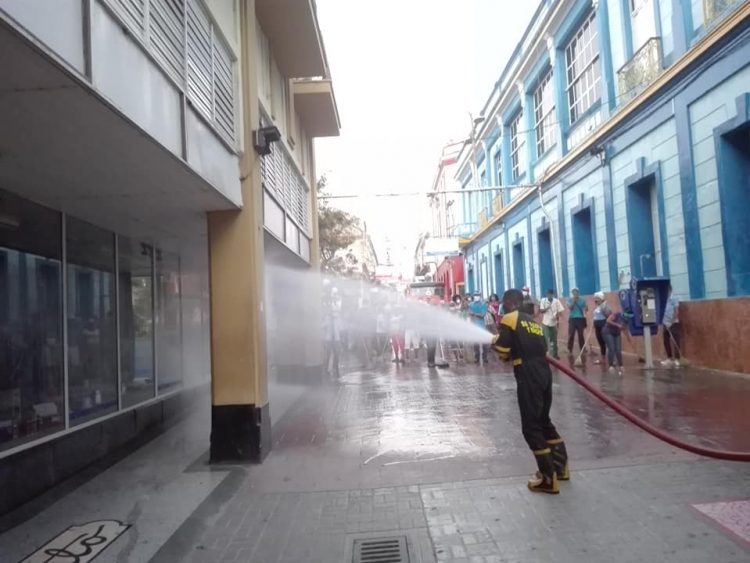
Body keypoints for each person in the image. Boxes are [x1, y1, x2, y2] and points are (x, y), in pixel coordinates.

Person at [491, 289, 569, 494]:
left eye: (503, 303)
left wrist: (494, 343)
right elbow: (539, 347)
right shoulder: (532, 322)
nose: (503, 307)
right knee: (544, 421)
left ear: (509, 302)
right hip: (544, 372)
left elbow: (502, 349)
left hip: (528, 374)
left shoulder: (510, 319)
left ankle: (547, 478)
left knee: (531, 427)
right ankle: (561, 469)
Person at [539, 289, 564, 359]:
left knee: (554, 340)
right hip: (545, 323)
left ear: (553, 295)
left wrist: (557, 316)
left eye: (551, 294)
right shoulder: (543, 300)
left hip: (553, 323)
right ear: (547, 294)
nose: (549, 295)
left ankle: (555, 354)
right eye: (548, 294)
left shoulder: (557, 301)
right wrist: (547, 308)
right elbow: (541, 311)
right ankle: (545, 354)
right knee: (546, 338)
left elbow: (560, 311)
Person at [661, 285, 682, 368]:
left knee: (675, 340)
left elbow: (676, 312)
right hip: (665, 323)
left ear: (670, 290)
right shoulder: (664, 299)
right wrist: (664, 322)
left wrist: (672, 322)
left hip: (673, 323)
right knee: (666, 340)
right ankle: (669, 358)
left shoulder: (674, 298)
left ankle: (677, 359)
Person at [602, 305, 626, 374]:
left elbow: (625, 329)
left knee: (618, 349)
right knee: (612, 348)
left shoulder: (626, 320)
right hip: (608, 332)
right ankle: (611, 365)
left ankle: (621, 365)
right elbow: (608, 320)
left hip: (617, 333)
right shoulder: (616, 314)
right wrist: (617, 325)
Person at [468, 294, 489, 364]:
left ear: (480, 296)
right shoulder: (471, 304)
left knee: (484, 343)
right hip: (474, 326)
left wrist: (474, 313)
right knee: (476, 344)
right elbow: (469, 314)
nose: (476, 297)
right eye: (475, 295)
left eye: (477, 295)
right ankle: (476, 358)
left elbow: (482, 315)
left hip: (482, 326)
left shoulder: (483, 305)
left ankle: (485, 357)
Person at [592, 291, 612, 365]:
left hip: (604, 326)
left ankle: (612, 359)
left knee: (607, 342)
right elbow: (595, 316)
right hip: (597, 327)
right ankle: (603, 359)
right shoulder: (597, 306)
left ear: (601, 298)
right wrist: (594, 323)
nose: (595, 300)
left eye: (597, 298)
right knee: (601, 343)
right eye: (595, 298)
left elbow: (609, 315)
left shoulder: (605, 306)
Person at [566, 288, 588, 355]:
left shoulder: (582, 300)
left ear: (578, 293)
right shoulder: (569, 300)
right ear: (572, 293)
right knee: (571, 334)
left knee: (581, 335)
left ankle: (582, 349)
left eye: (576, 292)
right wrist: (574, 301)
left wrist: (586, 308)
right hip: (572, 319)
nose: (575, 294)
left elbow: (586, 308)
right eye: (574, 293)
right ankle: (570, 349)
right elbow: (570, 308)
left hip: (580, 319)